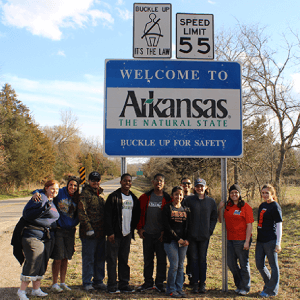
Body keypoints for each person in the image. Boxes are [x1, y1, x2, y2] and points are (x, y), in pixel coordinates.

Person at [32, 176, 81, 292]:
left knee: (66, 257)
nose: (72, 187)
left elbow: (79, 213)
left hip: (70, 231)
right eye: (71, 185)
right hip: (58, 229)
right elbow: (44, 191)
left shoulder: (77, 197)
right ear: (67, 185)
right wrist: (35, 193)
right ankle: (55, 283)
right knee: (58, 257)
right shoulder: (60, 192)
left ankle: (63, 282)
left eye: (75, 186)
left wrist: (74, 223)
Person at [15, 180, 60, 300]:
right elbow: (26, 213)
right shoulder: (41, 198)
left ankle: (36, 289)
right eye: (52, 189)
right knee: (33, 261)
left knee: (42, 262)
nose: (55, 191)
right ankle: (21, 291)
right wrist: (37, 193)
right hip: (33, 235)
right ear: (46, 188)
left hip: (46, 236)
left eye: (57, 189)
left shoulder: (51, 199)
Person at [104, 173, 141, 294]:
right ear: (120, 182)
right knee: (112, 260)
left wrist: (132, 229)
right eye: (125, 181)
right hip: (115, 235)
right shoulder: (113, 197)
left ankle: (124, 284)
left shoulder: (133, 198)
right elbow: (107, 216)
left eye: (129, 181)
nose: (127, 183)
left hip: (127, 234)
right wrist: (110, 232)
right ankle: (112, 286)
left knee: (124, 260)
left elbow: (136, 215)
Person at [136, 173, 172, 293]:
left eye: (161, 181)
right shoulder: (145, 197)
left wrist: (165, 232)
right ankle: (148, 282)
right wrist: (140, 229)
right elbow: (138, 214)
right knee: (148, 260)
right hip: (148, 234)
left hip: (161, 235)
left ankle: (160, 283)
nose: (159, 183)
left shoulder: (168, 199)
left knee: (162, 260)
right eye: (156, 180)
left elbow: (170, 218)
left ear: (164, 183)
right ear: (153, 182)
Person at [183, 178, 218, 294]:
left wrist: (210, 231)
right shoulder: (189, 200)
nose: (200, 188)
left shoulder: (211, 202)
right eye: (197, 186)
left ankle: (202, 283)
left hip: (204, 236)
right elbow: (184, 215)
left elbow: (214, 217)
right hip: (192, 236)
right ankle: (194, 283)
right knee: (193, 259)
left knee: (202, 259)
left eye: (202, 186)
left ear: (205, 187)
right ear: (195, 188)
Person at [218, 184, 254, 295]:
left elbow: (249, 225)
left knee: (244, 263)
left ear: (239, 194)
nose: (234, 194)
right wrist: (220, 207)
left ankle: (245, 287)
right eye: (232, 192)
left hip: (242, 239)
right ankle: (239, 284)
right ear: (229, 194)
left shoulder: (245, 207)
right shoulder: (227, 206)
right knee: (231, 263)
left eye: (236, 192)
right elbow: (220, 220)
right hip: (230, 239)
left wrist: (247, 241)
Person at [78, 171, 106, 291]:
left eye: (98, 180)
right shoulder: (85, 194)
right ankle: (87, 282)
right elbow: (82, 213)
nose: (96, 182)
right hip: (88, 233)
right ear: (89, 181)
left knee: (100, 258)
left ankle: (98, 281)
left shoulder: (101, 194)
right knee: (89, 258)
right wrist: (89, 228)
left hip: (101, 232)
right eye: (93, 180)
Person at [255, 184, 282, 298]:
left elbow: (279, 225)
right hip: (260, 240)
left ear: (272, 193)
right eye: (263, 193)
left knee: (273, 265)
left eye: (267, 193)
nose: (265, 195)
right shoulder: (262, 205)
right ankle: (269, 284)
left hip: (270, 240)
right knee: (259, 264)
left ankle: (271, 290)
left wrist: (278, 243)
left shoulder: (275, 206)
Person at [162, 186, 190, 298]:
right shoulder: (167, 208)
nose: (178, 197)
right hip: (170, 241)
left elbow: (189, 226)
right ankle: (171, 289)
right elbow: (167, 227)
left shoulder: (186, 209)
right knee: (174, 265)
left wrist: (187, 240)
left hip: (183, 243)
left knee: (180, 265)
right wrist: (178, 239)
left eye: (180, 195)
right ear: (172, 196)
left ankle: (179, 288)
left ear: (183, 196)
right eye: (176, 194)